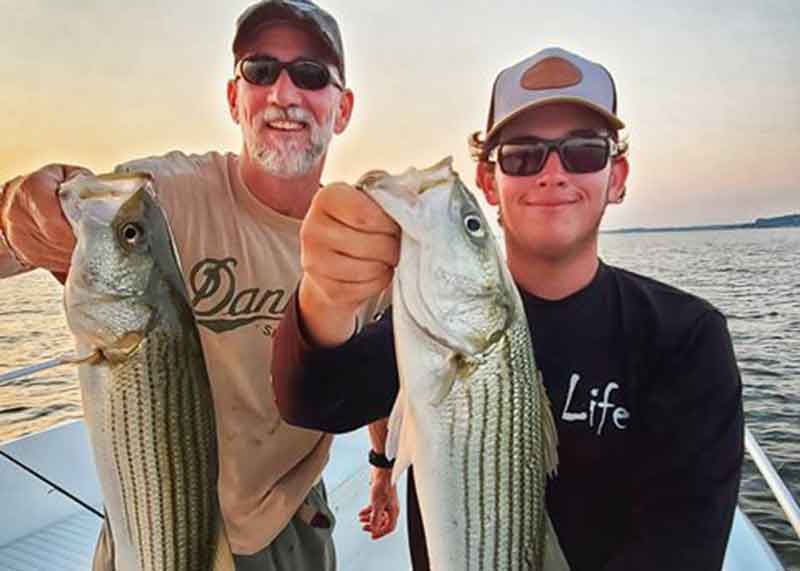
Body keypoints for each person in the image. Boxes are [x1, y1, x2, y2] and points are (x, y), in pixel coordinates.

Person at [271, 47, 745, 570]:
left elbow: (684, 546)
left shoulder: (687, 338)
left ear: (617, 176)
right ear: (488, 181)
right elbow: (310, 401)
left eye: (584, 151)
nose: (552, 173)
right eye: (523, 154)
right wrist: (325, 297)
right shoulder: (432, 331)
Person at [0, 0, 401, 568]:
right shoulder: (160, 195)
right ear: (234, 97)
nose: (283, 94)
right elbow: (35, 237)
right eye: (260, 71)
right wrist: (17, 214)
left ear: (343, 108)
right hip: (149, 517)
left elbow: (371, 367)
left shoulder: (355, 237)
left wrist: (380, 467)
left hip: (284, 524)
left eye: (310, 75)